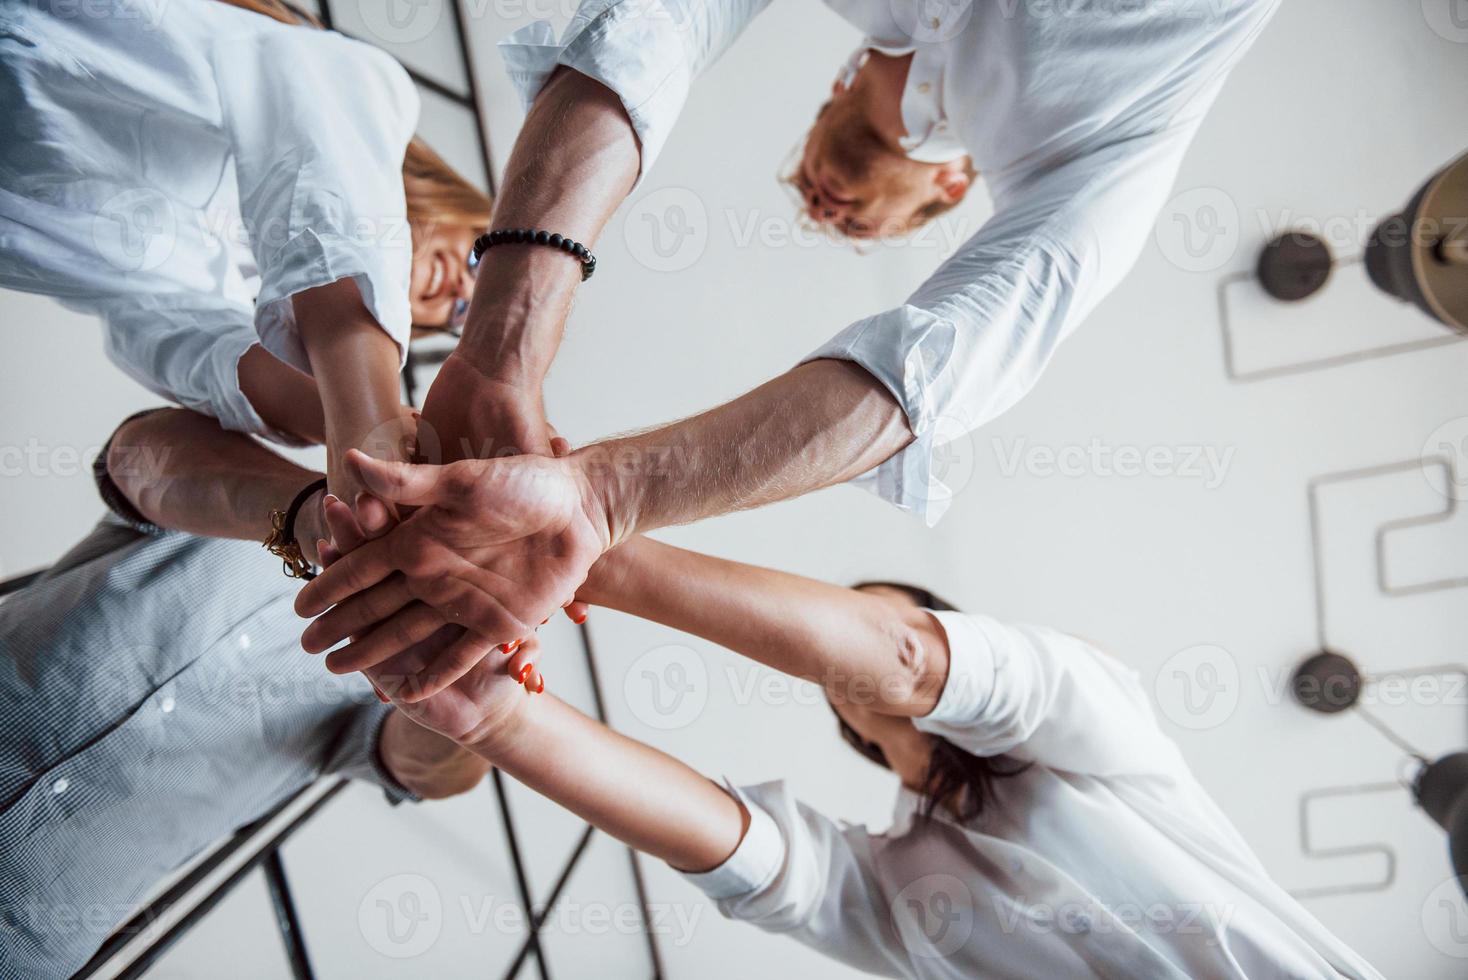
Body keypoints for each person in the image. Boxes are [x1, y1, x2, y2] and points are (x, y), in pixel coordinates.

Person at [296, 0, 1282, 673]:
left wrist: (601, 495)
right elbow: (654, 23)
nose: (821, 201)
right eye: (820, 196)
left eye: (850, 225)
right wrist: (501, 345)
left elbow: (934, 368)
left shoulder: (1111, 147)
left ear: (956, 185)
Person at [320, 516, 1383, 978]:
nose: (849, 648)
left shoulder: (1098, 732)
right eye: (829, 644)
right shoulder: (903, 879)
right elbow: (754, 856)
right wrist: (498, 719)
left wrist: (577, 551)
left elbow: (910, 655)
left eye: (858, 621)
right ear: (845, 721)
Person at [0, 413, 491, 979]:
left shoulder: (391, 671)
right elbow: (133, 454)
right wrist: (305, 512)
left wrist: (469, 673)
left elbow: (433, 773)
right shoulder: (243, 496)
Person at [0, 0, 487, 507]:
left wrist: (402, 442)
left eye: (460, 310)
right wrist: (370, 417)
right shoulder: (359, 92)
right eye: (479, 260)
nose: (461, 287)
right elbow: (311, 110)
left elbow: (181, 347)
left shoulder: (242, 298)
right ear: (454, 199)